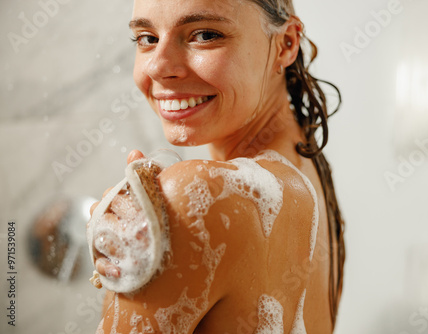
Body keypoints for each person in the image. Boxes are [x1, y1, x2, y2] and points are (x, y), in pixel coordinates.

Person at [88, 0, 345, 332]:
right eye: (147, 38)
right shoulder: (309, 170)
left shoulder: (194, 197)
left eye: (205, 34)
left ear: (286, 44)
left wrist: (131, 244)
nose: (158, 66)